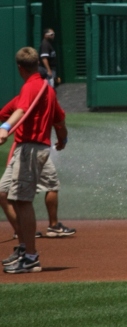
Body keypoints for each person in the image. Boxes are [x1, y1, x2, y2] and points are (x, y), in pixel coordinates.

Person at [0, 47, 68, 274]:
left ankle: (30, 256)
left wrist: (5, 128)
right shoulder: (45, 89)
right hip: (30, 148)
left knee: (22, 200)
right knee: (3, 192)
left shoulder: (31, 86)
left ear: (20, 68)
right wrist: (62, 138)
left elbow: (19, 110)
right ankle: (24, 245)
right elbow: (59, 118)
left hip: (30, 148)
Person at [0, 96, 75, 241]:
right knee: (51, 185)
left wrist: (16, 125)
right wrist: (62, 140)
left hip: (22, 148)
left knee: (3, 192)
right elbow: (60, 122)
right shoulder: (48, 98)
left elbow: (4, 114)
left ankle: (20, 230)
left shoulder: (21, 98)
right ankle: (52, 227)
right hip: (34, 148)